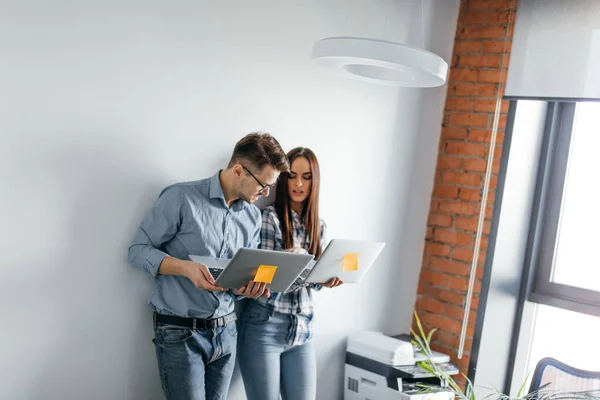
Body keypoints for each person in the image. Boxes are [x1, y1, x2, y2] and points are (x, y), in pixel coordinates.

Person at [127, 132, 289, 400]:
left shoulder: (251, 217)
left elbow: (237, 280)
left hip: (227, 331)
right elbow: (137, 251)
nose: (266, 194)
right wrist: (185, 268)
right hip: (180, 333)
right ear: (239, 170)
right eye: (263, 185)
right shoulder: (181, 197)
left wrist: (250, 288)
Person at [237, 147, 343, 400]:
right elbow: (263, 280)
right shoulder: (268, 218)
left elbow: (313, 284)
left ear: (314, 181)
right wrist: (296, 266)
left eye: (306, 177)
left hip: (303, 329)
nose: (298, 183)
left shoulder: (319, 225)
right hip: (265, 326)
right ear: (283, 179)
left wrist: (326, 279)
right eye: (292, 175)